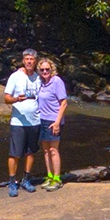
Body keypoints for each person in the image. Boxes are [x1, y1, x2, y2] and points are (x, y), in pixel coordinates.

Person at [2, 48, 43, 192]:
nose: (29, 61)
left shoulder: (39, 77)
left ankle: (26, 180)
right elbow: (6, 98)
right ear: (23, 61)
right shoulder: (15, 76)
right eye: (27, 59)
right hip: (18, 122)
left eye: (32, 59)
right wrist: (16, 99)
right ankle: (12, 182)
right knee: (14, 153)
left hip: (35, 121)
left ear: (35, 61)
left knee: (31, 152)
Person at [35, 57, 68, 189]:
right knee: (45, 150)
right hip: (41, 120)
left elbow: (64, 103)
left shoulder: (56, 81)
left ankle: (57, 178)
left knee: (53, 150)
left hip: (53, 120)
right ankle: (49, 176)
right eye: (42, 69)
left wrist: (57, 122)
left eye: (47, 69)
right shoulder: (41, 82)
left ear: (52, 69)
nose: (44, 71)